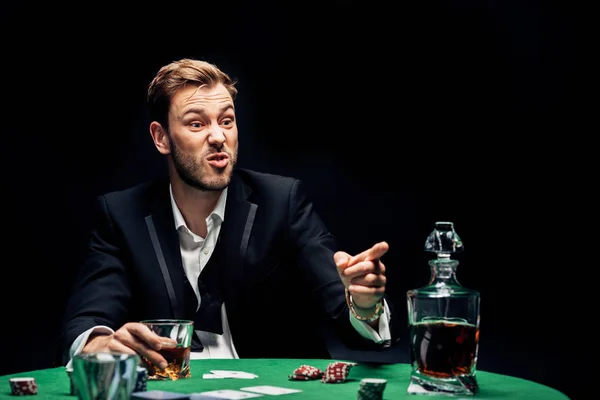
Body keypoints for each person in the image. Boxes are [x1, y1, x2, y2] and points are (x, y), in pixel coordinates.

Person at [59, 58, 404, 371]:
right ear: (161, 137)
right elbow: (88, 320)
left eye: (227, 121)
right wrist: (99, 344)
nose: (218, 137)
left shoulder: (281, 202)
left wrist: (365, 303)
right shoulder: (122, 215)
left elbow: (350, 321)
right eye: (196, 124)